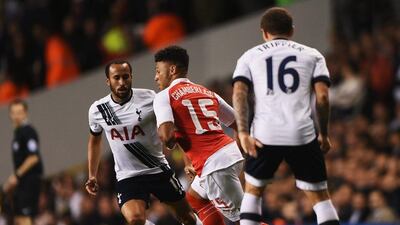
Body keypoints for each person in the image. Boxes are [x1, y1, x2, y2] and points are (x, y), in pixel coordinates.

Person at [232, 7, 340, 225]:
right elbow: (323, 98)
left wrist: (243, 132)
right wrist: (324, 134)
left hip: (265, 133)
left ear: (264, 32)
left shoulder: (250, 56)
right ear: (292, 31)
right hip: (302, 132)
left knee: (253, 192)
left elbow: (239, 93)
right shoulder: (312, 55)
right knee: (320, 199)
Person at [85, 59, 202, 225]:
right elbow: (95, 141)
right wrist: (92, 174)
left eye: (126, 77)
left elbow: (175, 129)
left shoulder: (150, 98)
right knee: (135, 219)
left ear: (131, 77)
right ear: (108, 81)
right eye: (116, 78)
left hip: (158, 169)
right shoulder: (98, 110)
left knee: (187, 218)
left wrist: (187, 160)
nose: (122, 82)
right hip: (127, 176)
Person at [153, 46, 244, 225]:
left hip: (213, 166)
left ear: (172, 70)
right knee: (195, 198)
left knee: (247, 221)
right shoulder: (206, 91)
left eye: (158, 71)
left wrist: (168, 140)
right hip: (228, 154)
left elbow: (167, 137)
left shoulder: (164, 96)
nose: (156, 77)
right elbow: (239, 123)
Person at [2, 99, 44, 225]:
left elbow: (33, 157)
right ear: (9, 114)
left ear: (26, 113)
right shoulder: (18, 133)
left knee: (23, 217)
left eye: (19, 112)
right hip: (23, 181)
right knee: (20, 218)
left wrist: (16, 175)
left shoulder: (28, 131)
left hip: (29, 179)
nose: (16, 116)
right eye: (13, 113)